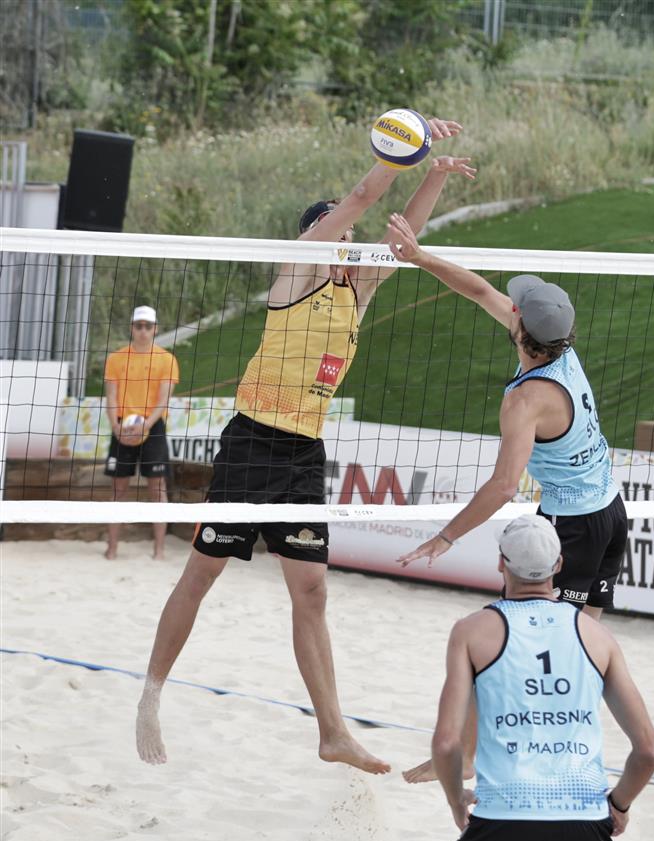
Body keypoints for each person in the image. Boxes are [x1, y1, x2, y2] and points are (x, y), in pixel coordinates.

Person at [134, 120, 475, 774]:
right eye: (335, 228)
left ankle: (333, 732)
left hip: (302, 453)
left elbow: (402, 236)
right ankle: (151, 695)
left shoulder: (357, 288)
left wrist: (432, 173)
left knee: (312, 592)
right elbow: (363, 197)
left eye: (347, 233)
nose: (347, 237)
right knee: (202, 574)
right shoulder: (297, 269)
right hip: (252, 442)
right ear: (313, 233)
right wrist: (402, 148)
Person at [370, 515, 654, 841]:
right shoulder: (597, 636)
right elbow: (649, 751)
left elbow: (446, 743)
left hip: (504, 819)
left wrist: (455, 800)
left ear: (501, 564)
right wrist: (618, 804)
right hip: (580, 821)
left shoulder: (471, 631)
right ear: (559, 565)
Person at [386, 212, 627, 784]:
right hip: (611, 514)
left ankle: (473, 756)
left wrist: (445, 537)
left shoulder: (525, 401)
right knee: (579, 647)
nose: (508, 307)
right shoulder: (562, 352)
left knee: (511, 641)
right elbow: (478, 291)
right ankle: (561, 752)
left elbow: (502, 486)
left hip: (570, 529)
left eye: (515, 309)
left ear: (521, 330)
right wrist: (419, 257)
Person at [103, 305, 179, 561]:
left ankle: (159, 551)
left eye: (148, 326)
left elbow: (163, 400)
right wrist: (115, 426)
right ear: (132, 328)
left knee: (157, 489)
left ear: (155, 329)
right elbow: (111, 398)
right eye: (139, 326)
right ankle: (112, 549)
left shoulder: (166, 359)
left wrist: (146, 424)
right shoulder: (116, 358)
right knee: (118, 490)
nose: (143, 330)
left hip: (153, 426)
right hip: (122, 425)